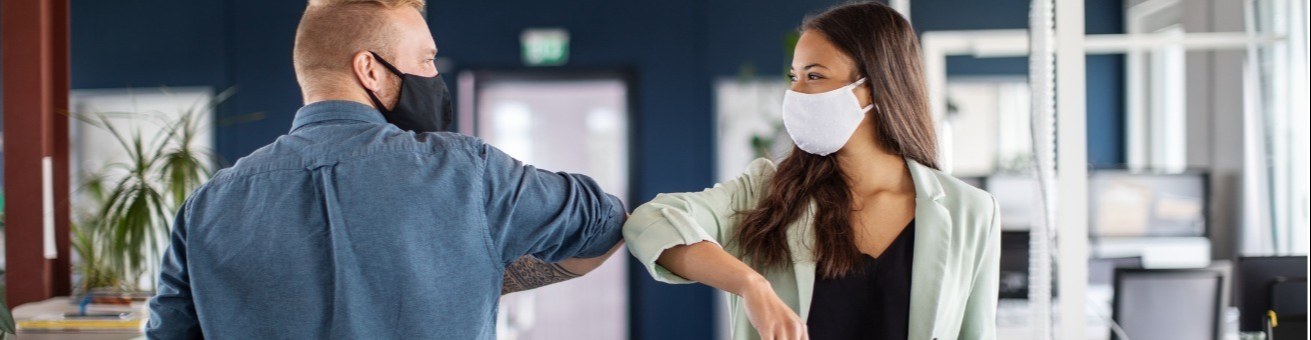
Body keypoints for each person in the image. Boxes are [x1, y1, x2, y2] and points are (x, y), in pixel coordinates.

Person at [146, 0, 627, 338]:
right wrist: (487, 274)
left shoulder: (207, 205)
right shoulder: (467, 171)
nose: (432, 77)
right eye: (426, 60)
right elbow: (605, 224)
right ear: (369, 69)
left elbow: (170, 331)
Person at [623, 2, 1000, 340]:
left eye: (814, 76)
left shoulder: (970, 211)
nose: (796, 93)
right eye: (794, 77)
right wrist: (751, 286)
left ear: (873, 87)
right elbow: (650, 221)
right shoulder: (765, 193)